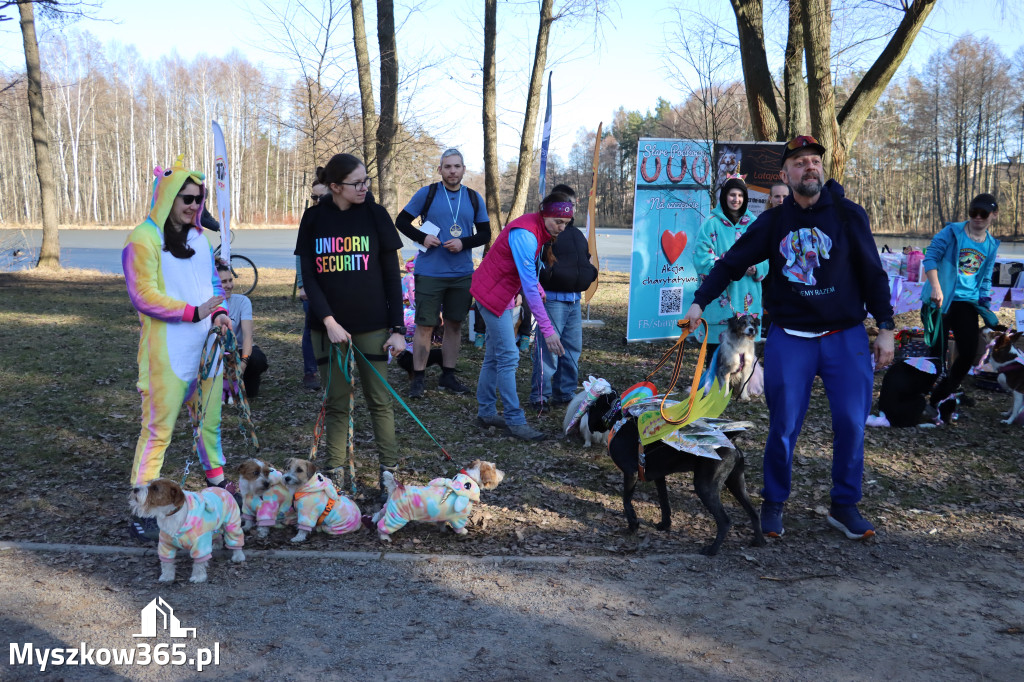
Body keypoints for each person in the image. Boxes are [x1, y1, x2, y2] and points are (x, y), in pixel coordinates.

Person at [682, 134, 895, 541]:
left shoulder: (849, 216)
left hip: (844, 335)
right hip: (791, 337)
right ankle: (774, 503)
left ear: (822, 168)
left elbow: (873, 273)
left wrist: (885, 326)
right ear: (785, 174)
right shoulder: (774, 221)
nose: (809, 167)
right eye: (799, 162)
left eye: (815, 160)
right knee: (783, 426)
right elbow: (731, 262)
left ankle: (844, 506)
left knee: (851, 423)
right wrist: (699, 302)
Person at [122, 155, 235, 543]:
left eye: (198, 199)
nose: (193, 205)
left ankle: (218, 485)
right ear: (168, 196)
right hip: (166, 354)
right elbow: (143, 296)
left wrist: (218, 313)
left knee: (211, 422)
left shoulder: (200, 238)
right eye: (186, 198)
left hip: (208, 349)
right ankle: (141, 506)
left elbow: (213, 288)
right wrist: (192, 312)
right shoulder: (143, 238)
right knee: (158, 432)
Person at [294, 153, 406, 497]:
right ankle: (336, 476)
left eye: (366, 181)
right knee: (337, 403)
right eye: (357, 183)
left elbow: (391, 275)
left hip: (372, 325)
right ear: (335, 187)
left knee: (379, 400)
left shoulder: (376, 215)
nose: (364, 188)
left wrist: (398, 329)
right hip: (326, 328)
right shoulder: (314, 219)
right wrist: (328, 321)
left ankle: (390, 475)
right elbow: (309, 278)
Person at [471, 191, 571, 440]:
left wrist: (536, 286)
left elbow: (525, 270)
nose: (561, 227)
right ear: (544, 213)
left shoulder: (538, 229)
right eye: (557, 221)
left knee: (495, 356)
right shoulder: (526, 233)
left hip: (501, 292)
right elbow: (527, 285)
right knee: (508, 356)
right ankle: (515, 421)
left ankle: (485, 412)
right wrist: (547, 330)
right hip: (492, 294)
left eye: (566, 223)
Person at [394, 148, 490, 398]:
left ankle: (448, 375)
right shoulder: (428, 193)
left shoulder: (473, 198)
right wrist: (422, 237)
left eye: (457, 166)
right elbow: (401, 221)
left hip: (461, 273)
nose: (452, 171)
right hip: (430, 272)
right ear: (440, 170)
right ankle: (419, 377)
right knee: (425, 325)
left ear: (463, 169)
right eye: (447, 167)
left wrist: (464, 243)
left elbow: (485, 233)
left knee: (454, 325)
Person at [920, 193, 1001, 421]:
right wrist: (935, 287)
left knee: (967, 353)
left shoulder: (991, 244)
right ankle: (914, 397)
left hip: (967, 303)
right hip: (939, 301)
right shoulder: (952, 232)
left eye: (983, 213)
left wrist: (985, 305)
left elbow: (985, 278)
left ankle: (939, 399)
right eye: (973, 212)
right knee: (936, 356)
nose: (977, 217)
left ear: (993, 215)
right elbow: (930, 258)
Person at [528, 184, 597, 411]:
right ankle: (540, 395)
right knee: (549, 350)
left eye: (573, 205)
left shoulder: (576, 234)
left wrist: (590, 273)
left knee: (571, 348)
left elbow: (584, 260)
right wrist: (549, 276)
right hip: (553, 299)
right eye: (567, 205)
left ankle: (564, 392)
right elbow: (537, 263)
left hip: (574, 299)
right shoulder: (547, 234)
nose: (570, 210)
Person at [693, 177, 767, 343]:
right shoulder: (710, 223)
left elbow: (765, 256)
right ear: (725, 196)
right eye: (732, 194)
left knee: (744, 362)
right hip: (719, 302)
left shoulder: (754, 223)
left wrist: (755, 267)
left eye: (740, 195)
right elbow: (701, 257)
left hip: (747, 302)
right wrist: (730, 267)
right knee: (716, 360)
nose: (736, 199)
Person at [296, 177, 331, 390]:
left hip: (335, 287)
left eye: (321, 196)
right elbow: (301, 254)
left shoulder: (340, 218)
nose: (317, 201)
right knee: (311, 329)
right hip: (312, 285)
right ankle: (311, 371)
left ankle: (336, 367)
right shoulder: (309, 219)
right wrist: (302, 284)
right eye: (313, 197)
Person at [217, 260, 268, 399]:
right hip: (218, 353)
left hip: (240, 351)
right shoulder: (207, 304)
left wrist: (243, 365)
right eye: (223, 282)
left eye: (230, 280)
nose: (229, 286)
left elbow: (247, 336)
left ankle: (244, 379)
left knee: (257, 360)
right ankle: (225, 387)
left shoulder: (242, 301)